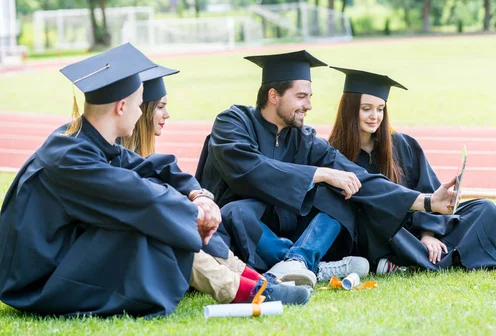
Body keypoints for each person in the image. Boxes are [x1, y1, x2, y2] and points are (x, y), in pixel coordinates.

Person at [0, 44, 307, 319]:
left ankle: (248, 278)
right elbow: (140, 196)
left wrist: (197, 195)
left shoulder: (86, 139)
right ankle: (243, 290)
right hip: (40, 279)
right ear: (121, 106)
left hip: (65, 252)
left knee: (163, 213)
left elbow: (154, 169)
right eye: (138, 105)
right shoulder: (71, 157)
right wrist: (196, 215)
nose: (140, 113)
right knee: (151, 221)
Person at [197, 50, 459, 288]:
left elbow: (360, 178)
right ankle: (314, 266)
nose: (309, 105)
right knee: (235, 212)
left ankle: (298, 262)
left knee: (343, 190)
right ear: (274, 96)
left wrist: (426, 201)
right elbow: (250, 170)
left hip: (288, 224)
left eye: (309, 97)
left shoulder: (303, 138)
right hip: (246, 230)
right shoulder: (232, 122)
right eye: (301, 97)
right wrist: (318, 173)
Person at [328, 67, 496, 273]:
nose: (375, 116)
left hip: (416, 230)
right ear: (350, 110)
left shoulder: (402, 144)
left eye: (380, 109)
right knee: (371, 215)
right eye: (366, 109)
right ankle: (409, 258)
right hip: (381, 235)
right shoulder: (334, 155)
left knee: (484, 208)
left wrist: (428, 234)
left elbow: (429, 190)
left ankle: (411, 259)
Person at [122, 65, 311, 306]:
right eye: (160, 107)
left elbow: (166, 169)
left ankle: (256, 281)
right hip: (123, 256)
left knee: (194, 223)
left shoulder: (130, 157)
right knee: (176, 228)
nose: (167, 114)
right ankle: (251, 289)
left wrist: (196, 197)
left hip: (144, 249)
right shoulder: (97, 158)